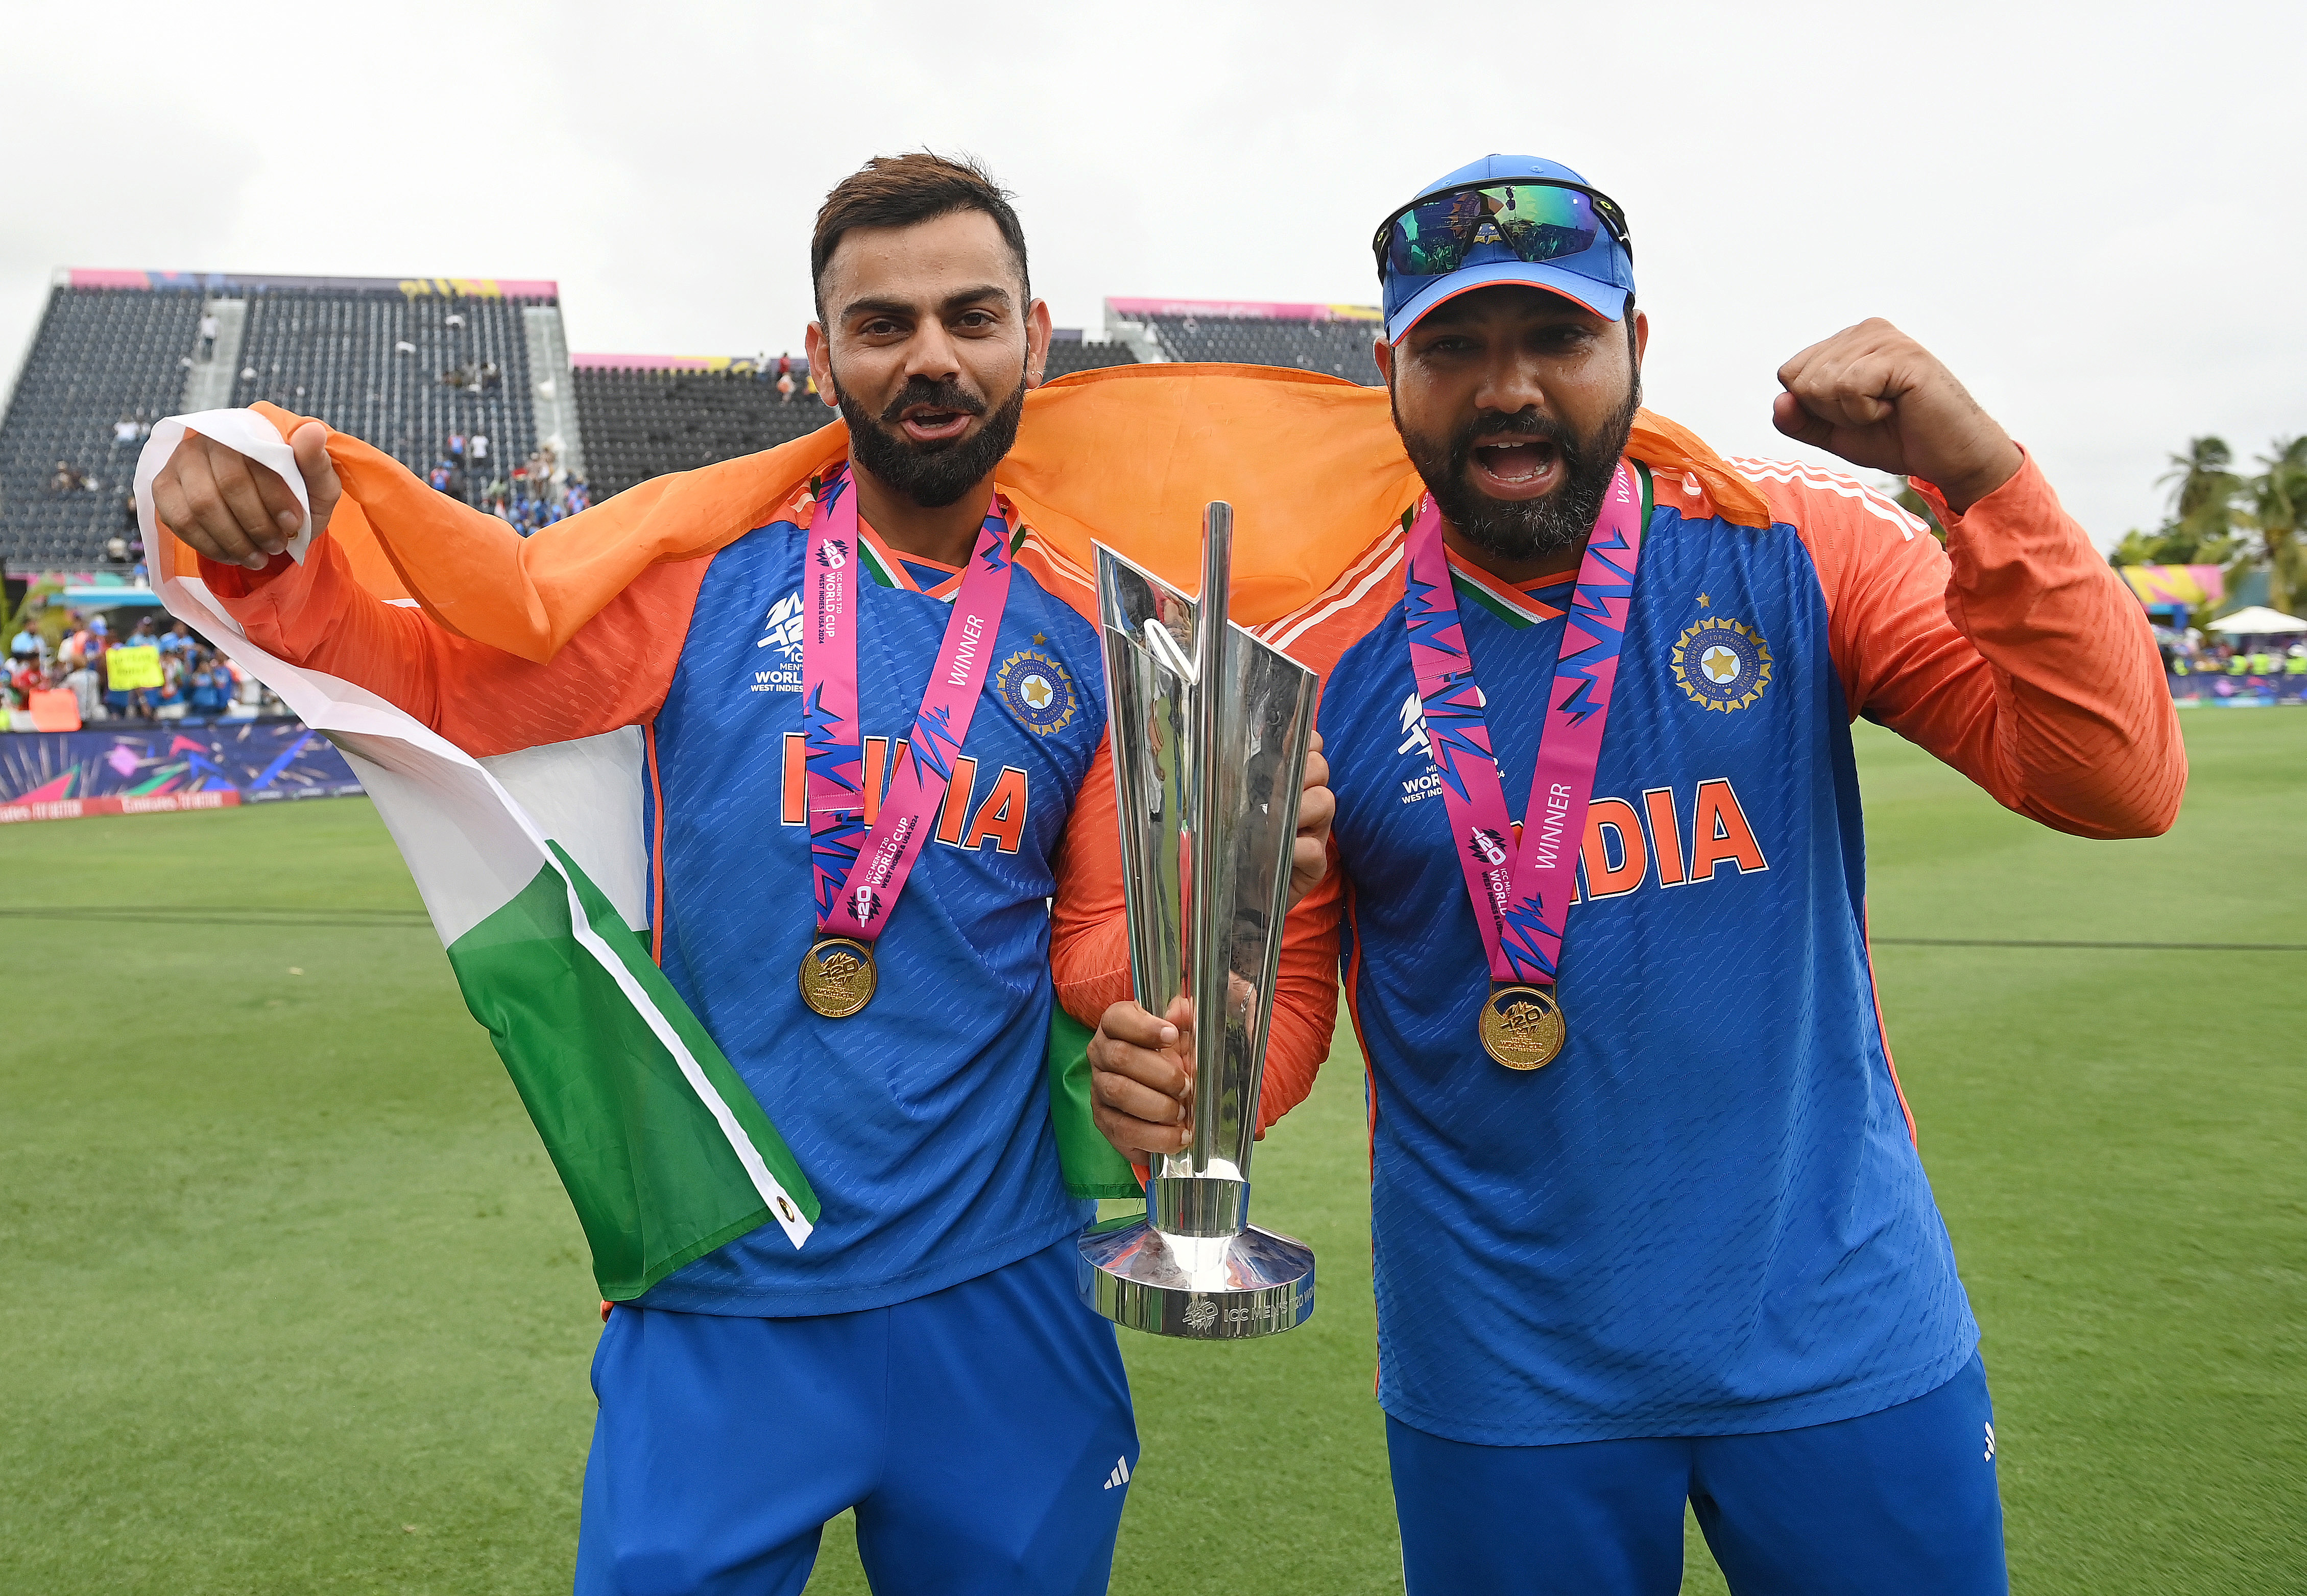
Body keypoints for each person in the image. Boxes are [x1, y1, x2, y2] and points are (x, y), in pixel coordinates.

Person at [148, 151, 1336, 1596]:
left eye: (971, 316)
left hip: (1003, 1296)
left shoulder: (1098, 631)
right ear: (819, 355)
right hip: (725, 1297)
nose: (932, 358)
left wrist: (1189, 926)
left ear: (1034, 338)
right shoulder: (700, 581)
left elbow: (1087, 944)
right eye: (882, 324)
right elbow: (438, 682)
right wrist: (273, 545)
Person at [1088, 153, 2184, 1596]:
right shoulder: (1323, 646)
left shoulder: (1793, 543)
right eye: (1457, 349)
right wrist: (1198, 1063)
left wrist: (1978, 474)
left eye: (1557, 338)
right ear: (1389, 372)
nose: (1511, 388)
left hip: (1843, 1338)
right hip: (1505, 1381)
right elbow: (1280, 1025)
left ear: (1638, 348)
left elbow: (2116, 782)